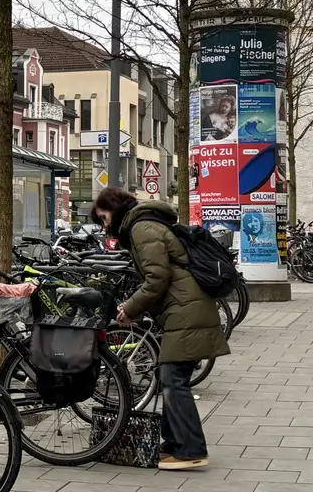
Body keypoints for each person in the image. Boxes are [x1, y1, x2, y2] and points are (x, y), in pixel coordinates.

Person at [92, 186, 229, 470]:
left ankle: (190, 450)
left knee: (173, 378)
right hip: (184, 308)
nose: (105, 227)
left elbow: (157, 278)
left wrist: (131, 307)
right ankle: (174, 443)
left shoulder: (141, 228)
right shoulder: (146, 224)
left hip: (185, 311)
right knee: (169, 376)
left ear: (114, 210)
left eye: (104, 218)